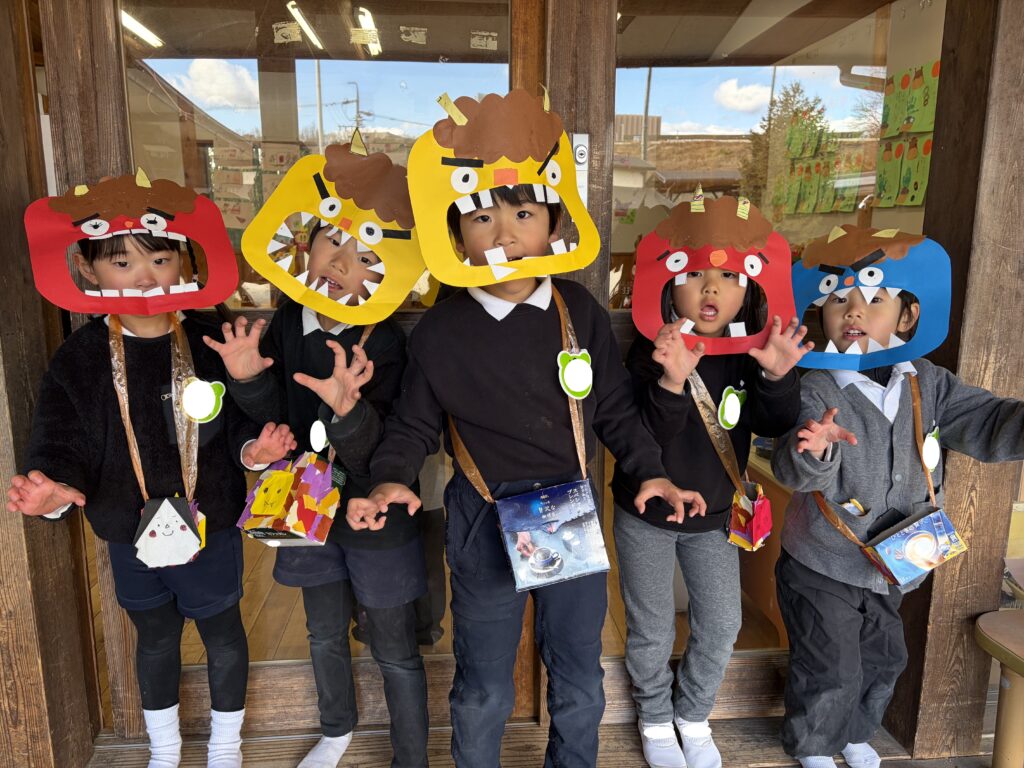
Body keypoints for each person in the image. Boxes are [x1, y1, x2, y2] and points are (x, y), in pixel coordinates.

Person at [9, 229, 295, 768]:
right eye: (122, 263)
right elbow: (60, 439)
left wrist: (255, 451)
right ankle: (164, 751)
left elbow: (244, 425)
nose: (145, 277)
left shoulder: (213, 340)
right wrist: (55, 488)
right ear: (87, 269)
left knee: (223, 633)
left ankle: (225, 749)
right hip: (129, 529)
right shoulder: (80, 358)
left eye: (161, 259)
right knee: (156, 636)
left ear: (184, 260)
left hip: (208, 524)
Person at [208, 140, 428, 768]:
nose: (340, 261)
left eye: (366, 256)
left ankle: (412, 755)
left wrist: (349, 410)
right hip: (303, 506)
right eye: (331, 240)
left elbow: (391, 446)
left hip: (377, 511)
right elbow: (271, 420)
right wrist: (247, 380)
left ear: (388, 276)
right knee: (323, 630)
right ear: (305, 246)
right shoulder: (285, 324)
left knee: (393, 642)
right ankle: (336, 730)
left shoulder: (385, 343)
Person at [771, 224, 1024, 768]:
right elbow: (795, 472)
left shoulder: (927, 382)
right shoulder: (815, 386)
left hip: (893, 562)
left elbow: (987, 420)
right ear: (821, 314)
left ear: (908, 317)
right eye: (838, 300)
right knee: (829, 663)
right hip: (822, 562)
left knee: (885, 657)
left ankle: (854, 732)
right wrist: (815, 449)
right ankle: (814, 745)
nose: (853, 312)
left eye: (874, 299)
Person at [613, 195, 805, 768]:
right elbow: (641, 437)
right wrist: (671, 381)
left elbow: (773, 424)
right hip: (646, 514)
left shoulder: (749, 352)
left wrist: (776, 376)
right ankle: (654, 717)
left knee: (721, 622)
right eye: (693, 274)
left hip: (717, 516)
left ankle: (693, 714)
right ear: (668, 285)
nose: (711, 288)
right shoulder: (650, 352)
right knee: (650, 627)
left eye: (729, 276)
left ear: (751, 288)